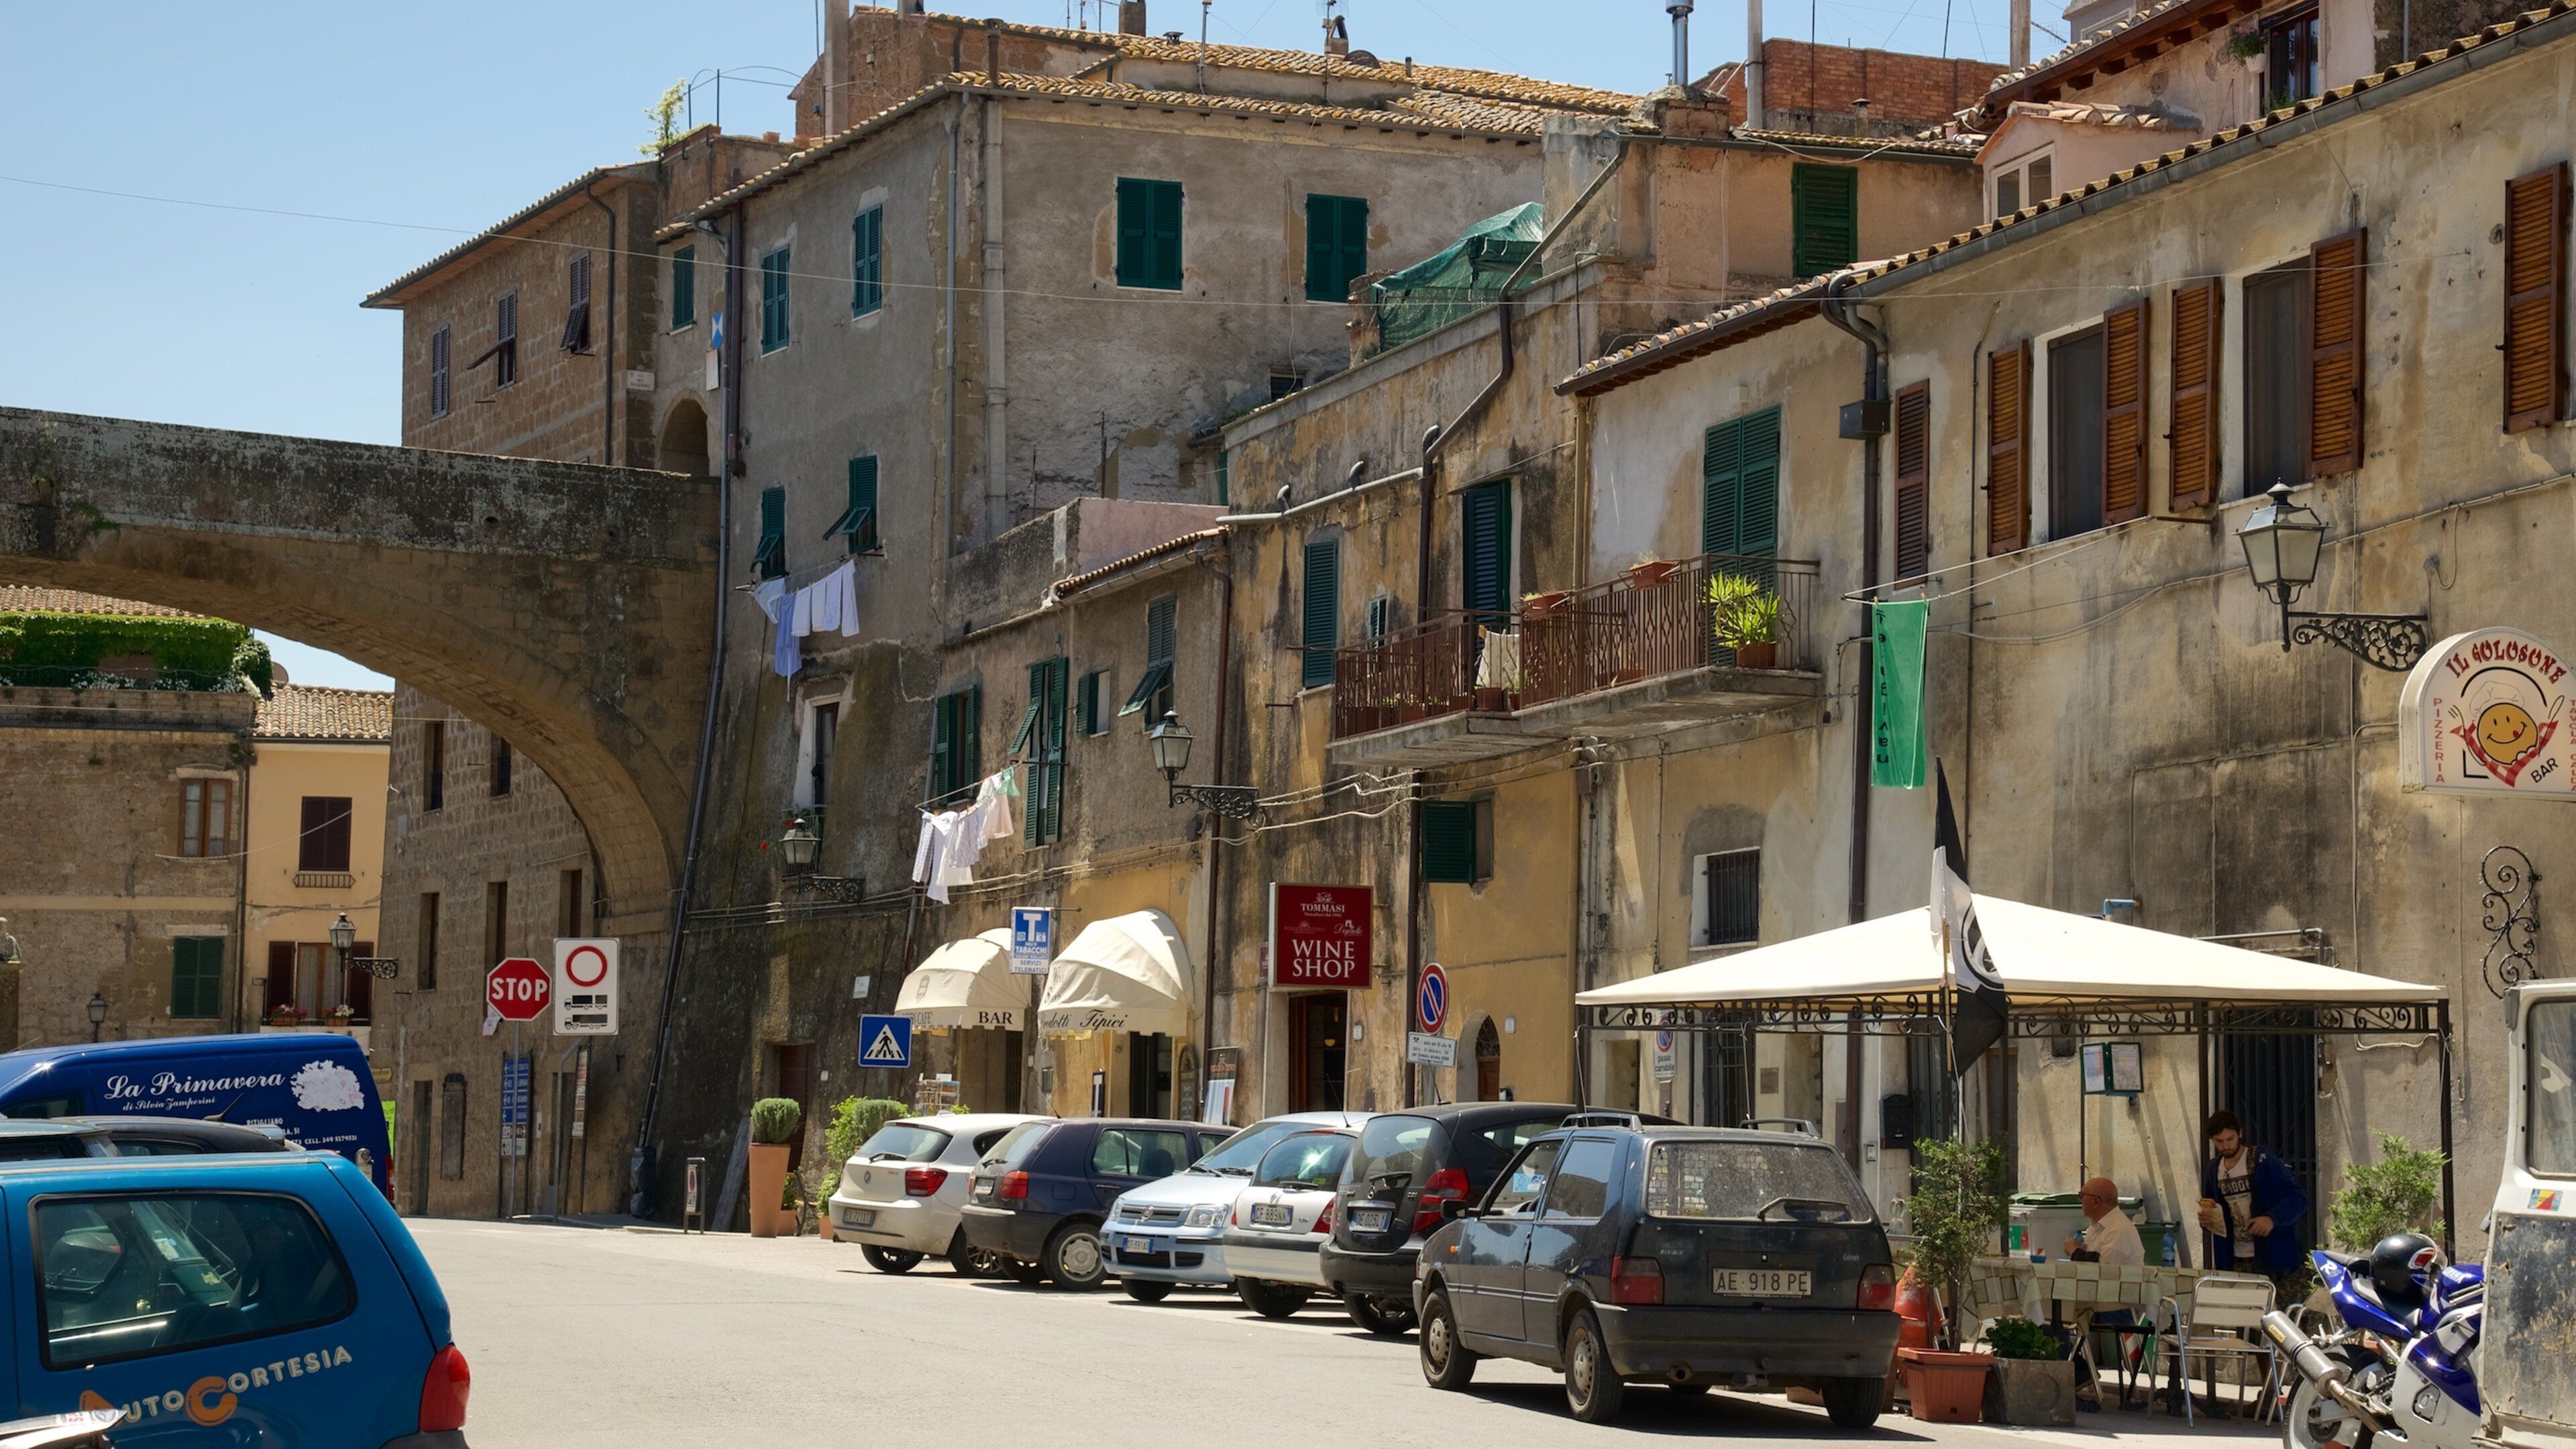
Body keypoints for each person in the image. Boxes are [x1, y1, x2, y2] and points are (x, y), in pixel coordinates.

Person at [2198, 1109, 2310, 1298]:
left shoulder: (2262, 1160)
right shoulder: (2213, 1170)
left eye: (2230, 1139)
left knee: (2280, 1319)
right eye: (2219, 1141)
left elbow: (2299, 1198)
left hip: (2273, 1258)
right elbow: (2215, 1211)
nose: (2226, 1145)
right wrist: (2208, 1221)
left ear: (2240, 1133)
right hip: (2235, 1260)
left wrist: (2271, 1219)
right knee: (2245, 1321)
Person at [2063, 1177, 2145, 1267]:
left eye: (2082, 1195)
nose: (2080, 1200)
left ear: (2096, 1202)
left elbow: (2105, 1271)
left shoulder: (2119, 1230)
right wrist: (2080, 1251)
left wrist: (2075, 1252)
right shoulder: (2097, 1225)